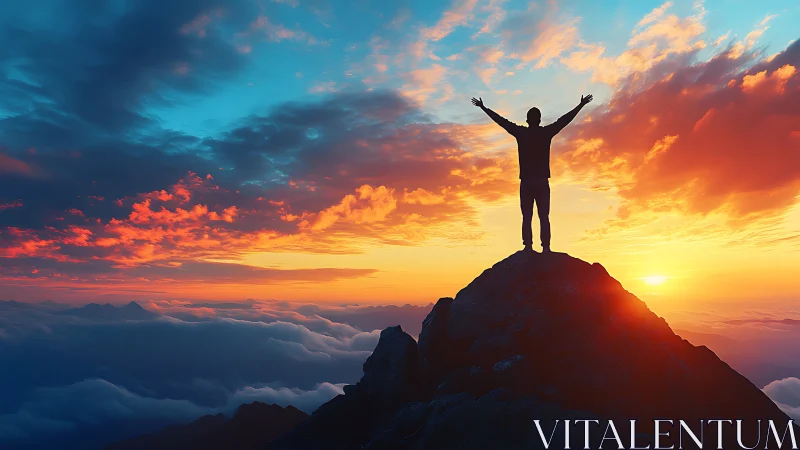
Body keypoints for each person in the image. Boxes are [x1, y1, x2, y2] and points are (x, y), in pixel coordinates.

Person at [472, 95, 593, 252]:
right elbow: (564, 120)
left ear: (528, 120)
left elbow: (501, 121)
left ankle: (528, 247)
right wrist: (581, 105)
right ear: (540, 120)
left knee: (527, 217)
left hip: (528, 182)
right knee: (543, 217)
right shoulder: (545, 133)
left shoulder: (521, 133)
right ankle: (546, 248)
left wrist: (484, 108)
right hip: (541, 181)